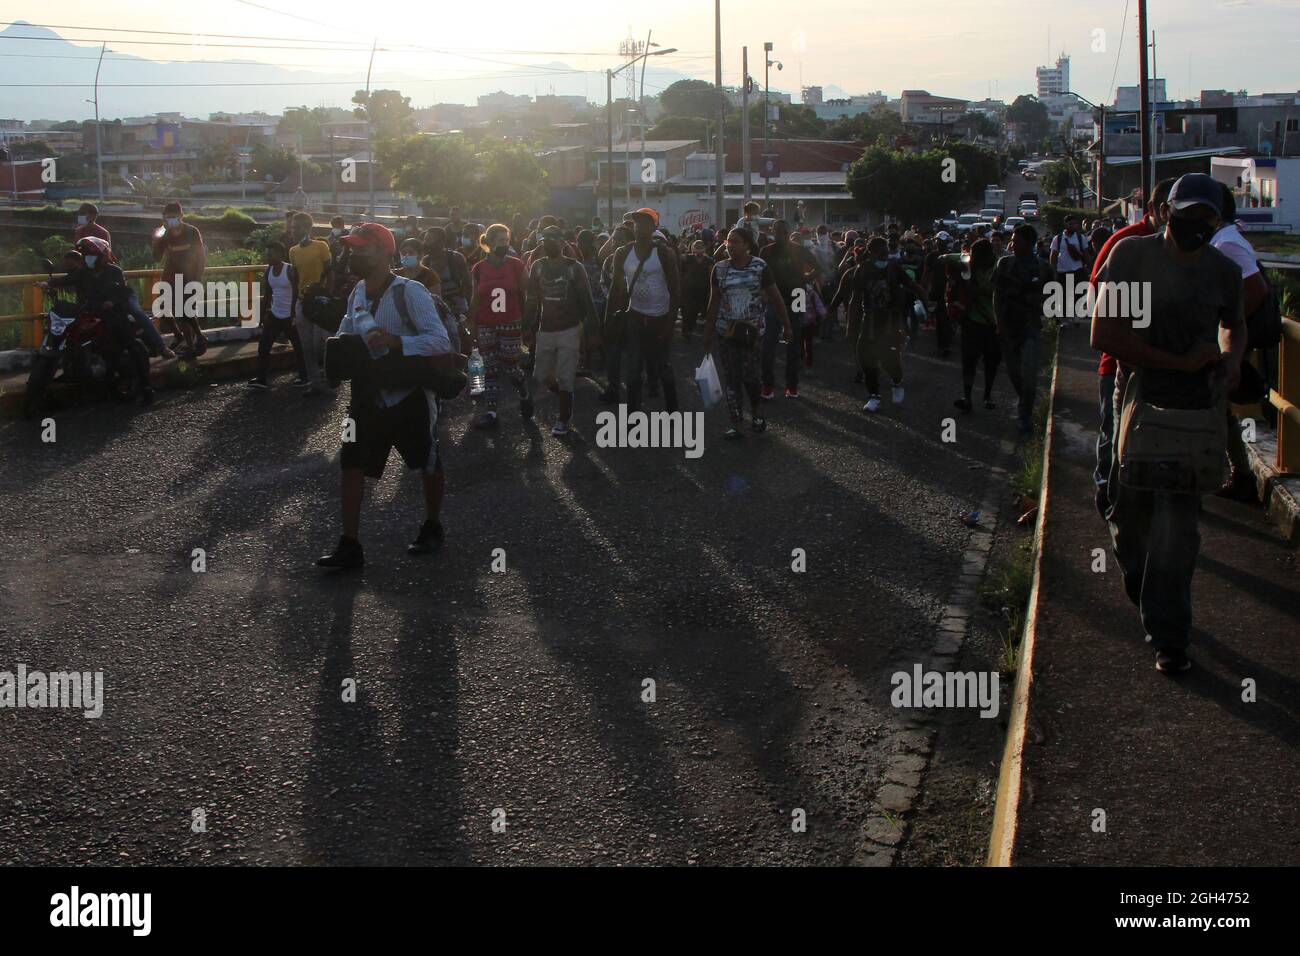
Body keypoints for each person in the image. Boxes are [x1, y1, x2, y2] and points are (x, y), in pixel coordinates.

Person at [1091, 172, 1245, 675]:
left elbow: (1234, 323)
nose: (1196, 224)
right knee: (1128, 514)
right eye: (1188, 213)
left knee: (1179, 530)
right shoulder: (1131, 258)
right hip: (1138, 400)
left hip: (1195, 413)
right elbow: (1103, 332)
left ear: (1218, 221)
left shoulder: (1222, 271)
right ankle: (1144, 586)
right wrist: (1173, 362)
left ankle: (1169, 636)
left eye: (1207, 216)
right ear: (1165, 212)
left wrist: (1230, 359)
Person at [314, 222, 456, 569]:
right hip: (367, 395)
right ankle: (350, 545)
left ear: (384, 252)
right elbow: (348, 333)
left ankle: (432, 524)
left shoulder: (410, 292)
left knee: (428, 461)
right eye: (352, 247)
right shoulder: (357, 293)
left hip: (409, 394)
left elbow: (440, 341)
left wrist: (398, 342)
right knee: (351, 465)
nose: (353, 253)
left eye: (362, 247)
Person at [1089, 177, 1176, 516]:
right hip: (1120, 363)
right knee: (1115, 435)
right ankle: (1108, 493)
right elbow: (1100, 299)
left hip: (1171, 368)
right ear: (1157, 209)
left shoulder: (1190, 252)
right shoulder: (1126, 243)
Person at [1211, 183, 1272, 502]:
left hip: (1222, 343)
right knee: (1219, 411)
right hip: (1223, 342)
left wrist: (1226, 328)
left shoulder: (1227, 243)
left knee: (1213, 410)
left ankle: (1236, 475)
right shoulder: (1223, 239)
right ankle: (1239, 473)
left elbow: (1255, 289)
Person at [702, 226, 791, 439]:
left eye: (736, 241)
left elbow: (776, 297)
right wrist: (708, 333)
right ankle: (737, 423)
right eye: (728, 242)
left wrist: (787, 326)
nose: (730, 245)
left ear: (747, 244)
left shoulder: (760, 267)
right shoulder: (719, 268)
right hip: (727, 333)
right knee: (731, 378)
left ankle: (758, 412)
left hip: (752, 333)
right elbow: (713, 302)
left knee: (750, 376)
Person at [42, 237, 152, 404]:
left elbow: (122, 292)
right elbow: (65, 280)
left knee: (129, 342)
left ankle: (146, 387)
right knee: (69, 335)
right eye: (86, 254)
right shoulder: (83, 272)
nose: (88, 257)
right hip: (88, 312)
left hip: (112, 314)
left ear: (102, 256)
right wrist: (48, 283)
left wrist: (112, 302)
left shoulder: (114, 271)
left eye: (92, 254)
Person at [828, 235, 924, 413]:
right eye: (881, 253)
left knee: (889, 358)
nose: (884, 256)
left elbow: (912, 285)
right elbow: (855, 300)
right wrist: (851, 325)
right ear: (871, 253)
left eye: (886, 252)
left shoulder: (894, 268)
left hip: (891, 320)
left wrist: (926, 300)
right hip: (870, 320)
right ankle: (874, 395)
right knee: (865, 356)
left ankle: (896, 382)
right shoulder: (862, 271)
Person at [524, 225, 597, 436]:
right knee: (542, 375)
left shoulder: (575, 268)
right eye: (545, 240)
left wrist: (593, 332)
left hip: (570, 330)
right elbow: (531, 300)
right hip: (545, 330)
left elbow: (587, 302)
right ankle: (567, 396)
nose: (548, 244)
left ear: (563, 243)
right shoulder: (537, 267)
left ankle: (564, 417)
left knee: (565, 377)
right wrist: (527, 327)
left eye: (553, 240)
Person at [607, 208, 680, 413]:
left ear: (654, 227)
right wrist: (609, 321)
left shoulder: (664, 253)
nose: (639, 227)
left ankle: (672, 411)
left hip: (660, 318)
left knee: (663, 367)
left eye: (645, 223)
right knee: (633, 371)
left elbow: (675, 290)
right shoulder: (622, 253)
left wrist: (670, 324)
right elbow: (616, 289)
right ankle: (633, 414)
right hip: (635, 317)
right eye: (637, 223)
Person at [467, 223, 531, 429]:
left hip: (510, 321)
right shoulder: (479, 268)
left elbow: (527, 293)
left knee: (510, 364)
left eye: (507, 240)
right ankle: (492, 412)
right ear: (491, 242)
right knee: (490, 368)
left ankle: (523, 390)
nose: (506, 244)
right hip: (486, 322)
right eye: (501, 240)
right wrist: (471, 323)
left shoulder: (516, 265)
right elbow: (475, 297)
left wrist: (529, 322)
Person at [994, 224, 1053, 437]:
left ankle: (1025, 414)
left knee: (1028, 374)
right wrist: (998, 321)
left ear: (1029, 244)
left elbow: (1052, 296)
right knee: (1014, 372)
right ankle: (1026, 400)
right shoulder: (1004, 264)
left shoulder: (1043, 267)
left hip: (1031, 327)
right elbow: (997, 295)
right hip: (1009, 327)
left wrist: (1050, 320)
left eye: (1017, 241)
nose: (1013, 244)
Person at [759, 220, 818, 399]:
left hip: (797, 295)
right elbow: (759, 273)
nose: (781, 235)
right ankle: (768, 386)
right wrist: (764, 293)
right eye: (778, 231)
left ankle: (792, 386)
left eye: (784, 232)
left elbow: (818, 267)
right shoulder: (766, 251)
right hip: (774, 297)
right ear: (773, 231)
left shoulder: (799, 250)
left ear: (789, 232)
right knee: (769, 341)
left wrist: (804, 280)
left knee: (794, 341)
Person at [944, 238, 1001, 413]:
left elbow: (994, 290)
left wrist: (974, 289)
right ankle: (969, 397)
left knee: (990, 363)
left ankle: (986, 395)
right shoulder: (972, 265)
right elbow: (945, 257)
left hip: (993, 323)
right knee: (970, 362)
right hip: (974, 322)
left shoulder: (999, 267)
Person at [151, 201, 207, 358]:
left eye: (173, 217)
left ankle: (193, 342)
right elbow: (156, 258)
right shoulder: (164, 234)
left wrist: (197, 278)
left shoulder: (191, 232)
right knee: (163, 306)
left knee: (185, 312)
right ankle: (179, 336)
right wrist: (155, 242)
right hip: (170, 276)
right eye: (167, 218)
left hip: (189, 276)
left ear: (181, 216)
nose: (170, 221)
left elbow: (201, 257)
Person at [248, 241, 307, 390]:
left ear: (280, 255)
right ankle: (261, 379)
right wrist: (262, 315)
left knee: (299, 348)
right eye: (266, 254)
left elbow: (296, 292)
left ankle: (305, 377)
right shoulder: (268, 271)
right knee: (264, 346)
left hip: (289, 316)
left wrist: (294, 314)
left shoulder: (290, 270)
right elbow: (267, 294)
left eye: (271, 254)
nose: (267, 257)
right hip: (275, 314)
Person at [287, 211, 335, 397]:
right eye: (292, 227)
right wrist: (293, 306)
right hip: (302, 302)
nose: (293, 231)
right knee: (306, 346)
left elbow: (330, 273)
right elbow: (295, 279)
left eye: (296, 227)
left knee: (319, 344)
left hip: (320, 302)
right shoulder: (293, 251)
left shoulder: (321, 246)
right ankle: (315, 383)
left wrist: (327, 296)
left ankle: (329, 378)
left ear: (307, 228)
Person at [1049, 215, 1089, 328]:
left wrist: (1091, 267)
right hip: (1062, 271)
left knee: (1077, 294)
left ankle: (1075, 316)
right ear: (1065, 224)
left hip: (1077, 270)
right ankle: (1065, 319)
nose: (1074, 226)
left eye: (1075, 223)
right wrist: (1053, 269)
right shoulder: (1058, 238)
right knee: (1063, 295)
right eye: (1071, 224)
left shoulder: (1081, 238)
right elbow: (1053, 255)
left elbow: (1086, 254)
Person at [680, 238, 712, 342]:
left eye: (700, 247)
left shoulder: (708, 260)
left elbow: (711, 275)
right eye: (696, 246)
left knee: (694, 312)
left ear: (704, 248)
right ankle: (686, 331)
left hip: (702, 291)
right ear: (692, 248)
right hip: (687, 291)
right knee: (686, 311)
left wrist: (711, 290)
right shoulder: (687, 258)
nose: (698, 249)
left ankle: (690, 328)